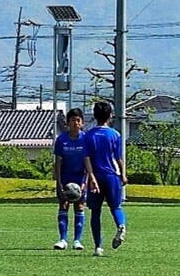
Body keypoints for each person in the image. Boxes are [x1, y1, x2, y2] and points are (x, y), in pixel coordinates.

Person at [83, 101, 127, 258]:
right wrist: (123, 174)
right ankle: (121, 225)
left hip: (96, 176)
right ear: (110, 116)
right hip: (112, 176)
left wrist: (91, 177)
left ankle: (98, 247)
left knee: (95, 211)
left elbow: (86, 158)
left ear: (94, 116)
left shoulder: (87, 136)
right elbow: (118, 158)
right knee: (116, 207)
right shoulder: (115, 135)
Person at [52, 108, 88, 251]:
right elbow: (58, 162)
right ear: (67, 123)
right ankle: (63, 239)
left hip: (80, 179)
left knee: (80, 207)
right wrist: (59, 181)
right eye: (72, 120)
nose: (75, 123)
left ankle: (77, 241)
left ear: (82, 123)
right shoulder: (61, 140)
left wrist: (85, 182)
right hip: (65, 178)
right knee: (63, 206)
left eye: (78, 120)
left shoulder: (86, 139)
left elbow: (88, 162)